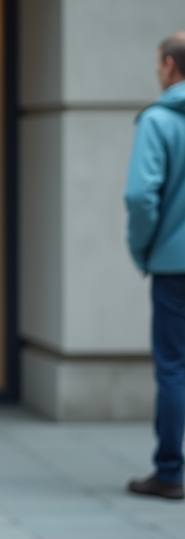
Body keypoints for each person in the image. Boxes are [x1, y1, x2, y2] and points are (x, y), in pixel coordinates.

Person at [125, 32, 185, 501]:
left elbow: (140, 196)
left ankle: (169, 472)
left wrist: (142, 250)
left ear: (168, 65)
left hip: (174, 265)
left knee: (173, 367)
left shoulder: (160, 120)